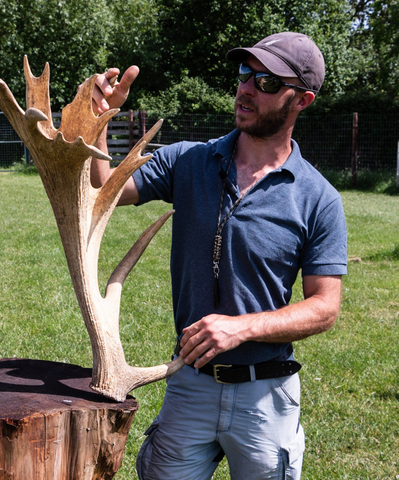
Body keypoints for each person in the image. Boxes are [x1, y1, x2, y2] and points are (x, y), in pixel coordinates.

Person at [89, 32, 347, 480]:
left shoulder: (317, 199)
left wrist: (241, 327)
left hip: (266, 395)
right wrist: (100, 118)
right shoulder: (188, 161)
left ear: (302, 100)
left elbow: (325, 307)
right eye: (246, 74)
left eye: (267, 83)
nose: (247, 88)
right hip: (189, 383)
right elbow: (103, 191)